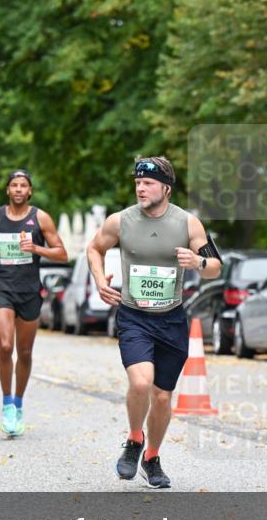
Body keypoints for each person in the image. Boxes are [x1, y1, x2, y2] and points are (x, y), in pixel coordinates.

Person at [87, 156, 222, 488]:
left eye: (147, 183)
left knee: (163, 396)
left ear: (166, 187)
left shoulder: (188, 224)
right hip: (134, 316)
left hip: (171, 319)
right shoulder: (120, 221)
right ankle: (135, 440)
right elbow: (94, 248)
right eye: (137, 183)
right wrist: (99, 281)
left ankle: (152, 458)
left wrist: (197, 263)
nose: (140, 189)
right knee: (141, 383)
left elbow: (216, 266)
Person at [0, 169, 67, 436]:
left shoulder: (41, 218)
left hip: (29, 291)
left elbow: (61, 253)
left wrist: (36, 249)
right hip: (2, 288)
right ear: (7, 190)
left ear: (29, 191)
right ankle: (6, 404)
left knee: (24, 352)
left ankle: (19, 402)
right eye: (13, 185)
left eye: (23, 185)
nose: (18, 189)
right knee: (5, 345)